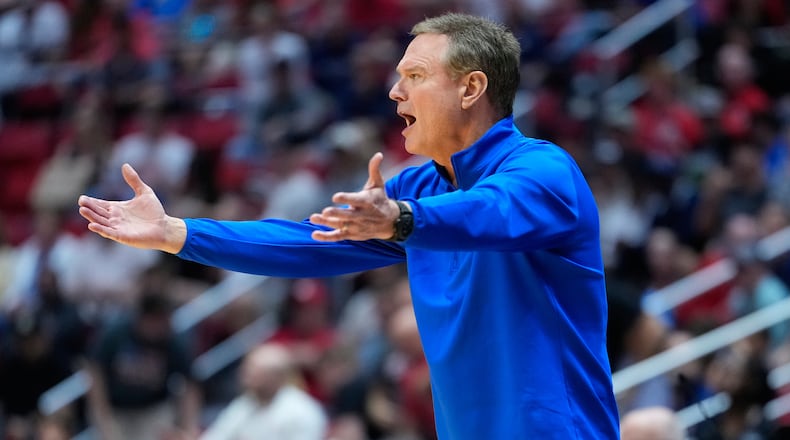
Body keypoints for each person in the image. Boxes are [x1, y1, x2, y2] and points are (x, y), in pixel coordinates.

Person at [78, 12, 620, 438]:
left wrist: (401, 219)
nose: (394, 92)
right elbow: (304, 242)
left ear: (471, 88)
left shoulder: (545, 172)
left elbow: (490, 213)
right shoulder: (418, 188)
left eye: (415, 76)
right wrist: (179, 233)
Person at [200, 343, 328, 440]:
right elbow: (217, 435)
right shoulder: (244, 403)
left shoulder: (303, 411)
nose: (245, 377)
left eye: (254, 372)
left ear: (276, 377)